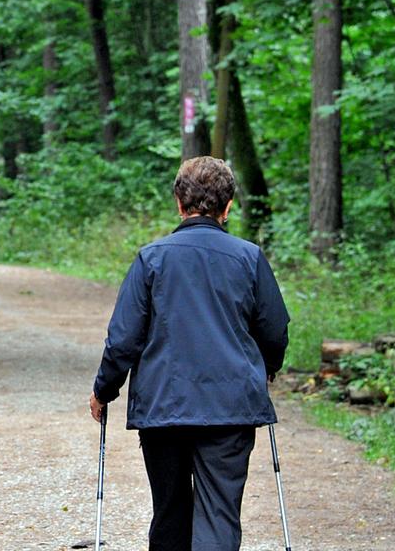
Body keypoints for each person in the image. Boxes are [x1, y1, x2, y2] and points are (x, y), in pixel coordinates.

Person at [88, 156, 288, 551]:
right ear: (228, 208)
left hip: (164, 408)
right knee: (219, 514)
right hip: (231, 407)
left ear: (179, 203)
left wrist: (104, 390)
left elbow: (123, 339)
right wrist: (268, 366)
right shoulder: (249, 258)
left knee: (170, 511)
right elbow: (274, 328)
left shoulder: (152, 259)